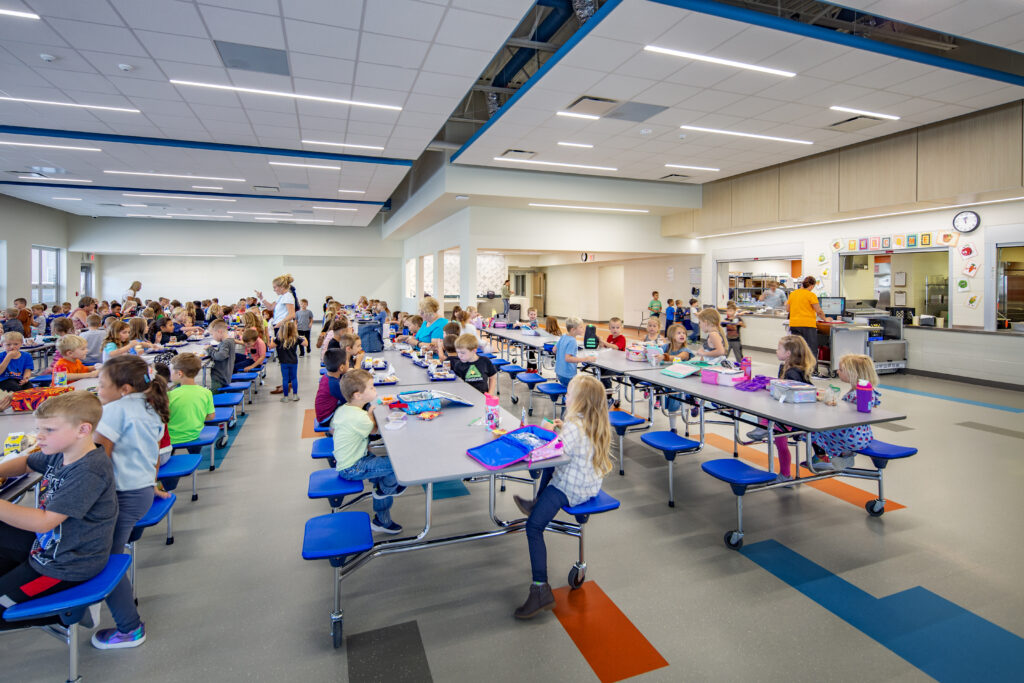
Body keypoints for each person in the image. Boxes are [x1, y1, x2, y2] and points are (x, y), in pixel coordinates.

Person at [0, 392, 117, 632]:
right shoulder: (63, 453)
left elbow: (44, 522)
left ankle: (69, 613)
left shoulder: (88, 471)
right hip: (50, 545)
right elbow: (26, 463)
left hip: (64, 564)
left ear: (82, 430)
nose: (39, 436)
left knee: (2, 611)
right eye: (38, 429)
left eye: (49, 430)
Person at [511, 374, 612, 619]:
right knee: (550, 468)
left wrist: (542, 439)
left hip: (570, 488)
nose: (565, 396)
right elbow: (569, 446)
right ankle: (537, 502)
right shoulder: (591, 420)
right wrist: (559, 431)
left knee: (534, 527)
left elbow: (553, 454)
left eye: (569, 394)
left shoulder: (574, 427)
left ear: (579, 401)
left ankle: (540, 590)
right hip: (589, 483)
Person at [91, 355, 169, 649]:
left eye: (101, 384)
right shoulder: (150, 406)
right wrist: (152, 483)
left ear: (124, 388)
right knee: (109, 555)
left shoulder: (114, 411)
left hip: (122, 494)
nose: (97, 389)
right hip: (140, 491)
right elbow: (151, 455)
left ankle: (129, 627)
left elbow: (99, 458)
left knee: (105, 561)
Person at [332, 369, 405, 534]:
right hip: (354, 466)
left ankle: (382, 520)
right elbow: (374, 430)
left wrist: (370, 413)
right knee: (398, 466)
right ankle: (386, 490)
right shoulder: (359, 417)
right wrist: (372, 413)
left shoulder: (346, 409)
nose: (375, 390)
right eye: (371, 388)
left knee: (385, 477)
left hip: (351, 460)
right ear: (358, 395)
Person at [748, 335, 816, 483]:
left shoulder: (792, 373)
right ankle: (784, 475)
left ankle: (764, 426)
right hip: (792, 414)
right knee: (780, 443)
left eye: (779, 348)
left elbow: (791, 395)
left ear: (788, 354)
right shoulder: (792, 369)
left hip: (789, 417)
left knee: (779, 439)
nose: (776, 351)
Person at [810, 354, 881, 472]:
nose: (838, 372)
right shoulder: (868, 391)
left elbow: (842, 417)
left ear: (853, 374)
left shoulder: (855, 395)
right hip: (865, 436)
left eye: (841, 370)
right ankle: (844, 454)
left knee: (812, 430)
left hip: (851, 437)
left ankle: (821, 457)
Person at [167, 354, 215, 445]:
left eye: (172, 371)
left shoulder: (170, 395)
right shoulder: (206, 392)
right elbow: (211, 416)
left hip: (172, 439)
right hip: (196, 435)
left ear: (180, 373)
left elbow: (164, 418)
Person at [785, 275, 830, 367]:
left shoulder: (793, 294)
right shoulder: (811, 295)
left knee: (797, 347)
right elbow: (819, 311)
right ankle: (812, 370)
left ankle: (796, 367)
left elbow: (788, 309)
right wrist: (826, 319)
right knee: (811, 348)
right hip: (807, 325)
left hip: (794, 324)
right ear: (812, 286)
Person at [555, 317, 596, 387]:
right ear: (573, 330)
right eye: (581, 327)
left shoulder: (564, 336)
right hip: (567, 375)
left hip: (559, 372)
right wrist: (585, 359)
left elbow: (554, 349)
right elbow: (568, 358)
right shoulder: (572, 341)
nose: (583, 329)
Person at [314, 348, 347, 427]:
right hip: (326, 419)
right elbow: (347, 400)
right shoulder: (334, 384)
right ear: (341, 367)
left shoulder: (327, 377)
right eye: (346, 362)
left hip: (323, 414)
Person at [276, 320, 305, 402]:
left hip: (283, 362)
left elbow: (271, 346)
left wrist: (272, 340)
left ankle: (285, 397)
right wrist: (303, 337)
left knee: (285, 379)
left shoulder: (279, 339)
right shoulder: (296, 338)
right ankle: (295, 395)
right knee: (294, 378)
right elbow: (305, 344)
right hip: (293, 362)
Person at [206, 320, 236, 390]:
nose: (212, 337)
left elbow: (220, 356)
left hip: (220, 377)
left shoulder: (225, 343)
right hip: (225, 375)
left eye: (212, 334)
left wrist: (210, 349)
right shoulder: (230, 341)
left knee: (215, 396)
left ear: (219, 332)